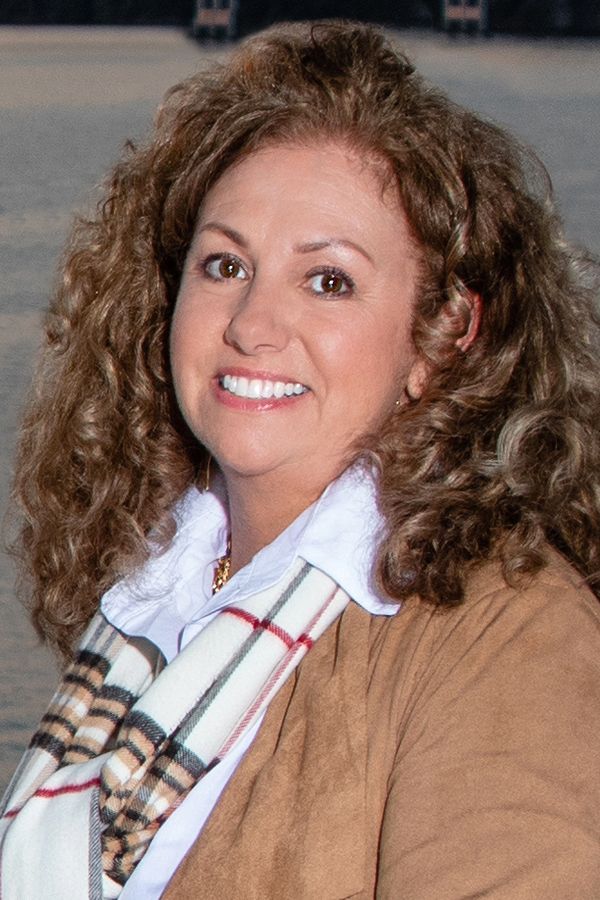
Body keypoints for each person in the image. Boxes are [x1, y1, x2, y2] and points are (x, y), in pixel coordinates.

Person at [1, 20, 599, 899]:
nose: (250, 325)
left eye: (328, 281)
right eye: (224, 264)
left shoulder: (505, 637)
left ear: (443, 334)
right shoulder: (157, 593)